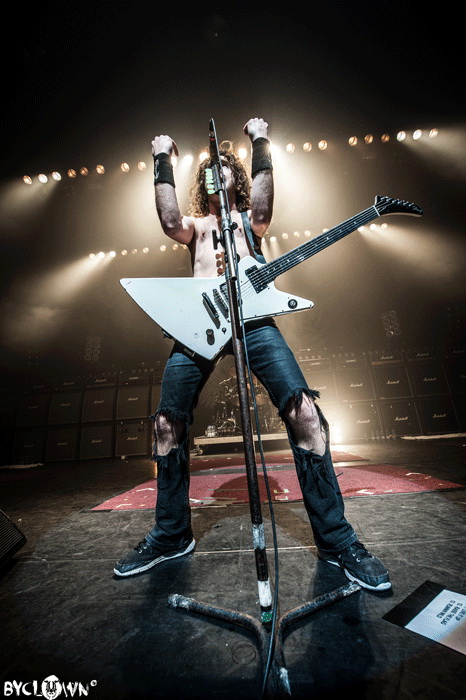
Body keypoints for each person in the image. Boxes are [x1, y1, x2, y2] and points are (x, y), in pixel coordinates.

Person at [114, 118, 391, 591]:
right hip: (200, 325)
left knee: (305, 413)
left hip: (254, 321)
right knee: (165, 424)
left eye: (222, 168)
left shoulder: (249, 221)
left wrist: (260, 141)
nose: (213, 174)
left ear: (235, 178)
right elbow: (169, 221)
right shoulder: (197, 227)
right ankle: (171, 535)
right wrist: (162, 159)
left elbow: (262, 206)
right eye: (208, 170)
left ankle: (337, 541)